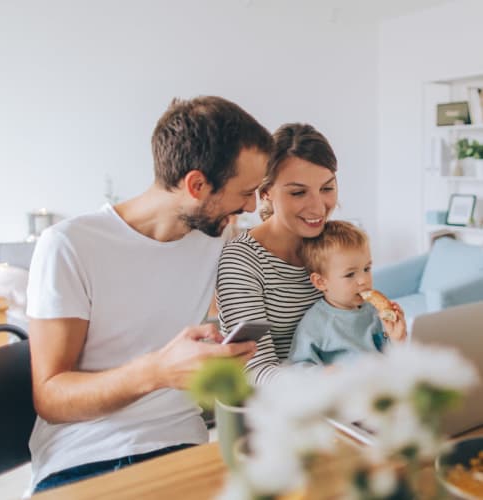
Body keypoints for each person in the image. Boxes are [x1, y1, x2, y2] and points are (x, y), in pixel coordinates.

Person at [26, 95, 273, 492]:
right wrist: (157, 371)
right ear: (197, 185)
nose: (251, 205)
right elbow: (51, 397)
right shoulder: (70, 245)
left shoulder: (217, 237)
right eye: (245, 191)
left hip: (184, 449)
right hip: (86, 458)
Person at [216, 123, 338, 385]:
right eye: (298, 192)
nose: (318, 207)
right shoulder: (242, 261)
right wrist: (331, 379)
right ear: (266, 193)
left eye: (327, 188)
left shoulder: (336, 244)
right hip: (279, 409)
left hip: (343, 399)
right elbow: (255, 370)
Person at [288, 220, 407, 366]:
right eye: (350, 274)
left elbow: (389, 357)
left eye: (367, 269)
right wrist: (326, 374)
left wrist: (397, 339)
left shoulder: (374, 311)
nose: (363, 280)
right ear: (321, 282)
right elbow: (298, 367)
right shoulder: (315, 323)